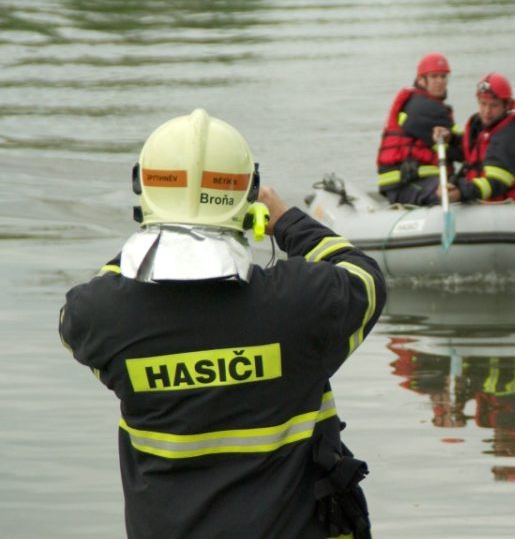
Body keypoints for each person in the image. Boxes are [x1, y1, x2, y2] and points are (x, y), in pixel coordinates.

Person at [59, 109, 387, 539]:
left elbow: (88, 304)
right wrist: (287, 222)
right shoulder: (298, 303)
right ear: (247, 196)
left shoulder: (104, 317)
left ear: (146, 188)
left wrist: (154, 231)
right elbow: (365, 276)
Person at [439, 72, 515, 204]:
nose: (487, 111)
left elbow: (497, 183)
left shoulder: (513, 133)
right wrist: (451, 139)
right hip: (495, 206)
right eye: (483, 104)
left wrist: (462, 192)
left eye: (494, 105)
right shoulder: (485, 124)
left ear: (507, 105)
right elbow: (475, 151)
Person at [376, 52, 462, 206]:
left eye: (443, 77)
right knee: (457, 194)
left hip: (416, 179)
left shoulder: (423, 103)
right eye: (434, 77)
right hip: (406, 182)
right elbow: (460, 151)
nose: (440, 82)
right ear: (421, 80)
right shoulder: (423, 107)